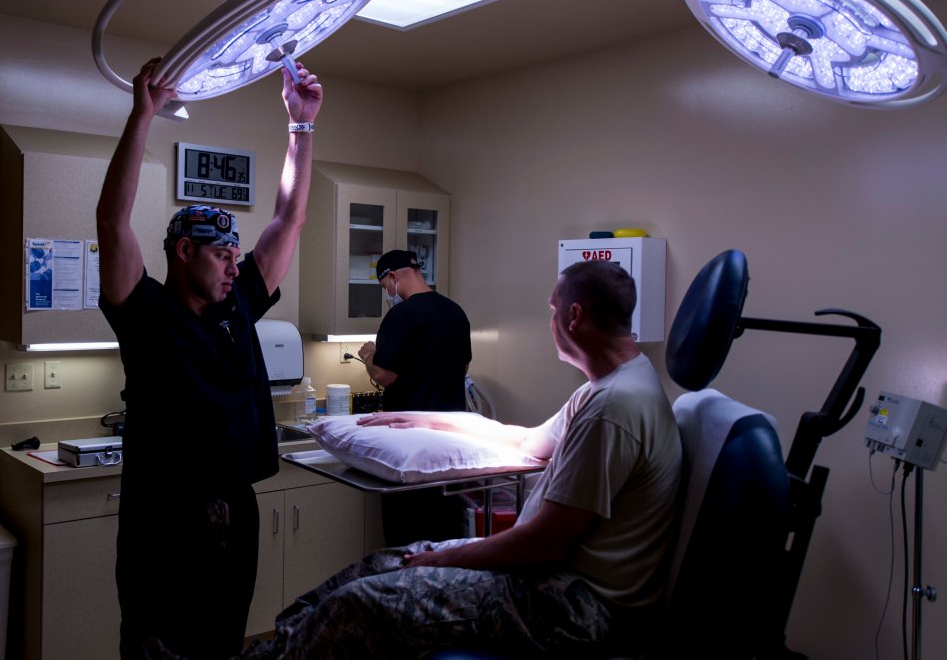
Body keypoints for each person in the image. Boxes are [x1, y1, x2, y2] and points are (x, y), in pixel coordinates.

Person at [193, 259, 683, 659]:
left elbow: (543, 544)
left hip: (577, 607)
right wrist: (424, 420)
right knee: (378, 565)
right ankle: (269, 652)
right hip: (552, 582)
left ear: (573, 316)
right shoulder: (607, 389)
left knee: (364, 601)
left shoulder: (614, 409)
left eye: (552, 311)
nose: (549, 322)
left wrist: (443, 556)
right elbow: (527, 441)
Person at [96, 56, 322, 659]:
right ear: (183, 252)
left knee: (223, 644)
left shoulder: (240, 301)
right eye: (222, 254)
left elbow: (290, 217)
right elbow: (112, 221)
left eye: (236, 255)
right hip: (161, 520)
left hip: (234, 511)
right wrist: (143, 113)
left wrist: (301, 125)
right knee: (157, 647)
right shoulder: (144, 312)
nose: (233, 265)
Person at [357, 248, 473, 544]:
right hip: (450, 442)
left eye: (384, 286)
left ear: (392, 277)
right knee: (444, 532)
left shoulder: (402, 315)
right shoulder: (455, 312)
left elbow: (384, 374)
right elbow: (463, 369)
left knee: (408, 534)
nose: (387, 293)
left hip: (409, 445)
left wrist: (369, 355)